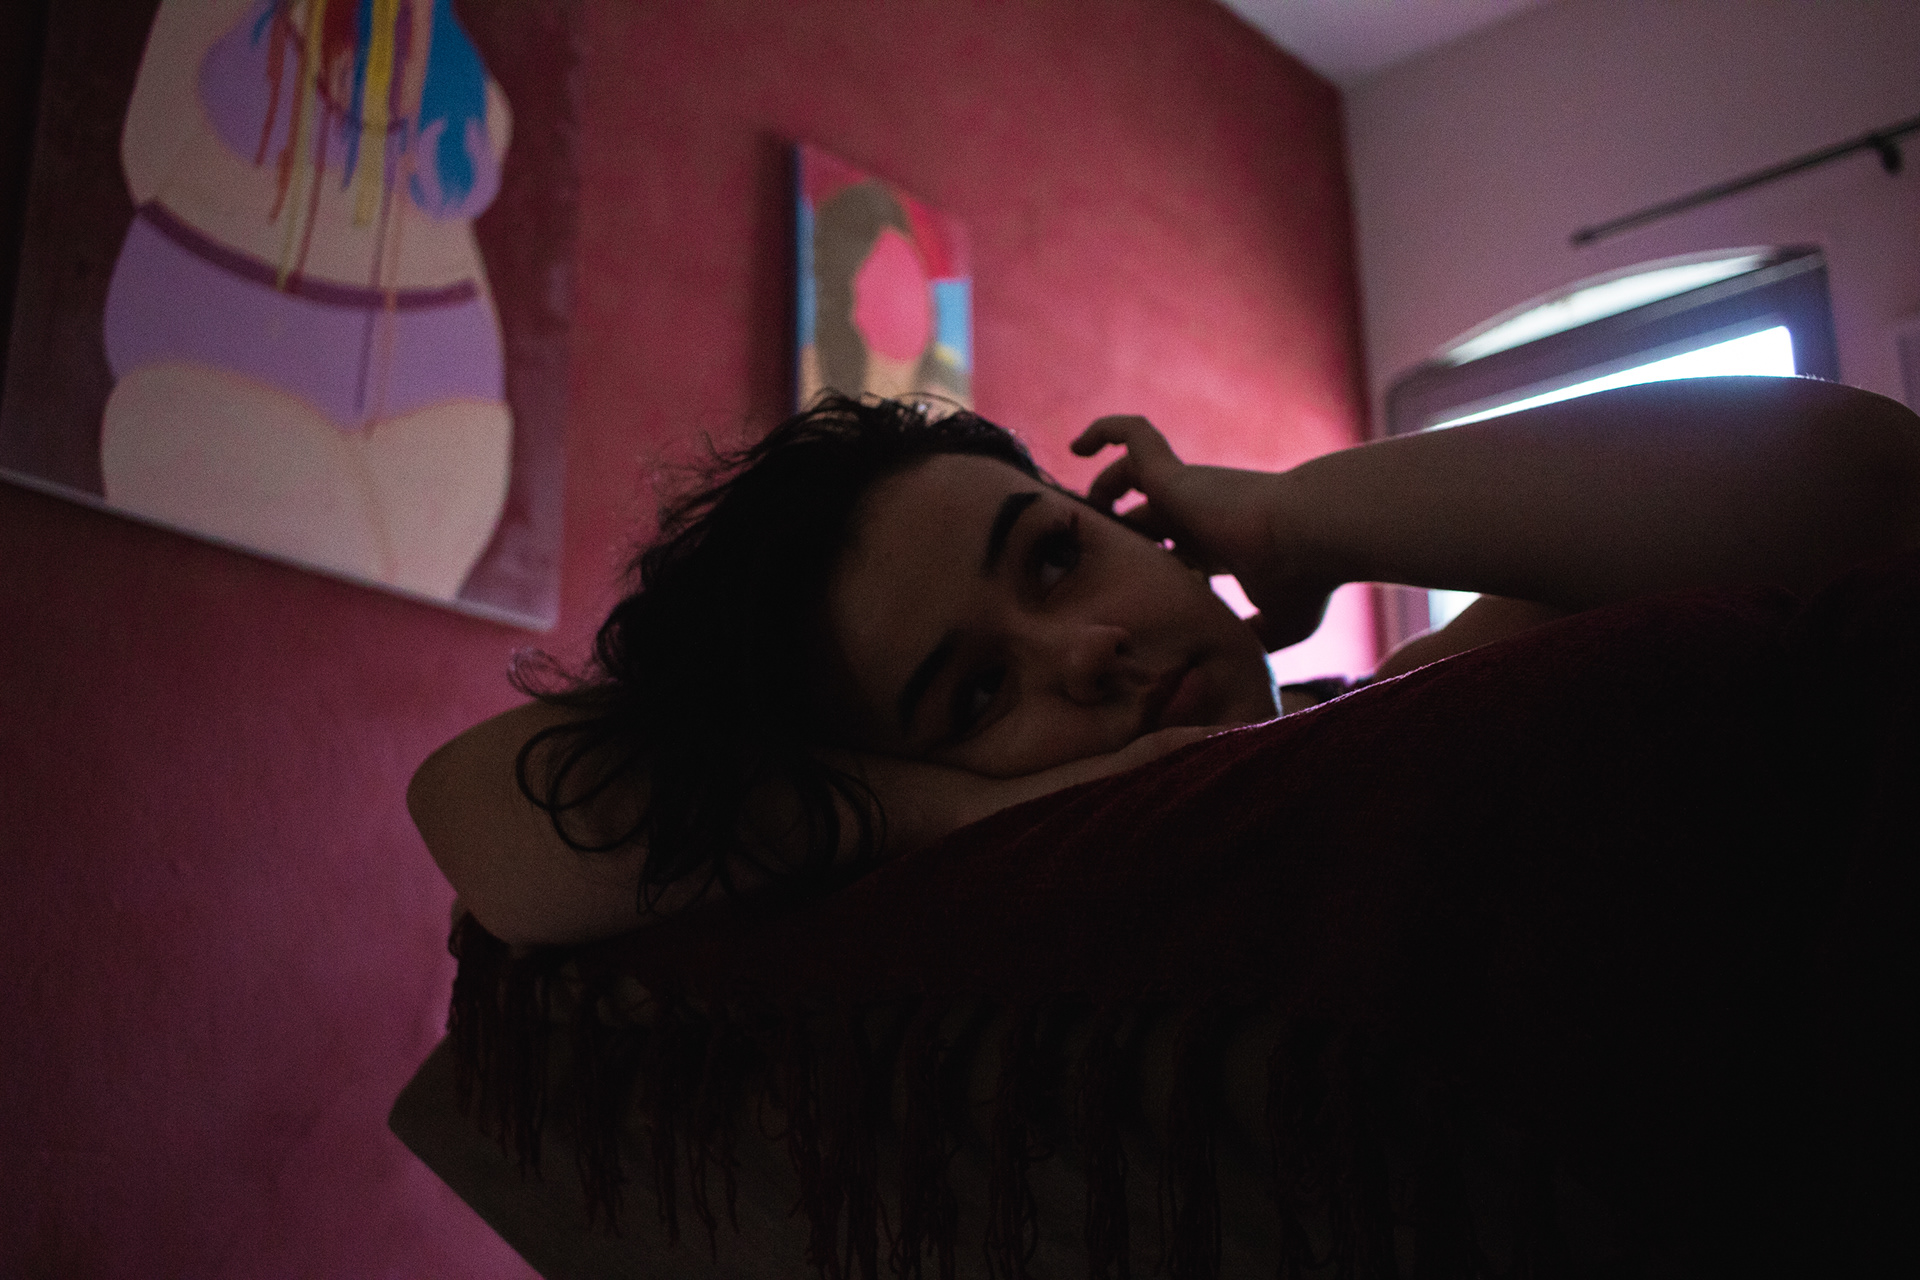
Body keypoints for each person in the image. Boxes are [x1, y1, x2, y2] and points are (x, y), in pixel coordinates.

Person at [409, 377, 1920, 948]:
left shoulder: (1398, 713)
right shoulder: (1038, 878)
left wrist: (1292, 513)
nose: (1089, 648)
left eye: (1056, 555)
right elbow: (482, 808)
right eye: (974, 694)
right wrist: (969, 812)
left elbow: (1864, 489)